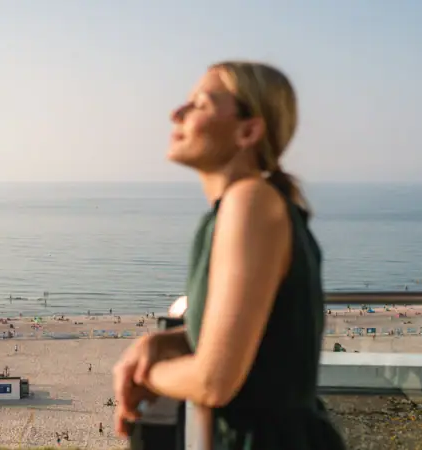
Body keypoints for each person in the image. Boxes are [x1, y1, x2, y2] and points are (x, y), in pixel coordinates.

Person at [112, 61, 345, 449]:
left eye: (200, 104)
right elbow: (257, 337)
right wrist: (159, 345)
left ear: (248, 130)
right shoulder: (249, 205)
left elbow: (213, 381)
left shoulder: (250, 201)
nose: (176, 113)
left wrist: (141, 375)